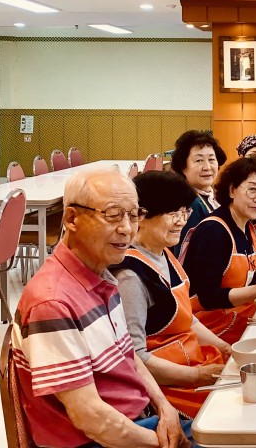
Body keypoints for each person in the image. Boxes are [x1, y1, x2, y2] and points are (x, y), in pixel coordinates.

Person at [11, 167, 194, 448]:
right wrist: (164, 443)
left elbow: (129, 355)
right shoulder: (53, 302)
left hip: (136, 420)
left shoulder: (102, 274)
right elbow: (91, 418)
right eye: (112, 214)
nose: (126, 228)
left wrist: (164, 407)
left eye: (133, 215)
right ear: (71, 218)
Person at [111, 171, 232, 418]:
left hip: (189, 362)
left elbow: (189, 318)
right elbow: (135, 357)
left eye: (184, 212)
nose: (182, 221)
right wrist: (196, 376)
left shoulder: (164, 253)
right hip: (165, 388)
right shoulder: (130, 278)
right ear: (141, 216)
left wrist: (225, 347)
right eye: (172, 213)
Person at [181, 157, 256, 344]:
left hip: (239, 316)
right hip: (213, 330)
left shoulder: (247, 226)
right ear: (232, 190)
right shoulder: (214, 231)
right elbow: (208, 297)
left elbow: (244, 277)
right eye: (252, 189)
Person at [170, 130, 228, 248]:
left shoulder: (213, 196)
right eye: (199, 160)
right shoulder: (190, 204)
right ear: (183, 167)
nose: (207, 167)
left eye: (211, 159)